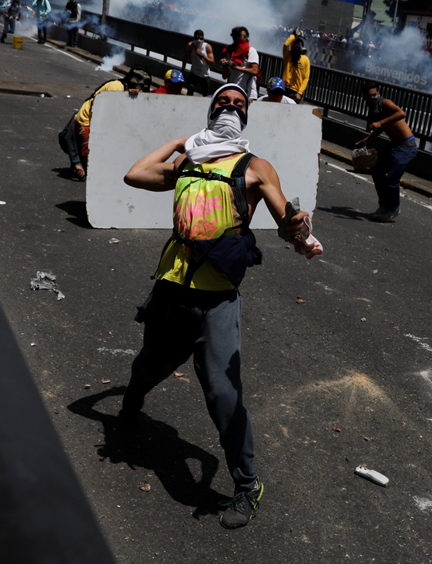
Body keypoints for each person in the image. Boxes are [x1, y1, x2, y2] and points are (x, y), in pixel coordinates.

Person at [119, 83, 318, 530]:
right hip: (172, 290)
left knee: (224, 395)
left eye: (238, 105)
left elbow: (287, 222)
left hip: (217, 302)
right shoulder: (188, 161)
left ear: (246, 118)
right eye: (223, 103)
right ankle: (132, 402)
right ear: (210, 112)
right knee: (149, 366)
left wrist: (299, 231)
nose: (230, 108)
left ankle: (246, 486)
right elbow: (134, 176)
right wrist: (178, 142)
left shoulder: (256, 168)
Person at [65, 69, 148, 180]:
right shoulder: (116, 86)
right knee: (88, 152)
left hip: (102, 120)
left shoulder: (125, 88)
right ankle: (79, 166)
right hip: (87, 119)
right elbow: (111, 109)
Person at [355, 81, 417, 222]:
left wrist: (381, 123)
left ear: (379, 93)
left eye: (375, 94)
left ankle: (394, 208)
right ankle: (384, 206)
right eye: (370, 95)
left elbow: (401, 113)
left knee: (391, 178)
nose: (373, 97)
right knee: (377, 172)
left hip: (406, 146)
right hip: (394, 145)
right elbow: (381, 128)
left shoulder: (385, 103)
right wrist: (367, 140)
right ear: (364, 96)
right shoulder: (373, 107)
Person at [220, 26, 259, 100]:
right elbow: (224, 76)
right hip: (232, 90)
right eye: (240, 37)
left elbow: (254, 71)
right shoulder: (230, 52)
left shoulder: (251, 51)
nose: (243, 39)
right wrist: (225, 66)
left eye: (245, 36)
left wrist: (235, 67)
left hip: (247, 94)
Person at [181, 29, 214, 97]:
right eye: (197, 38)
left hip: (204, 74)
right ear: (194, 38)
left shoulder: (207, 47)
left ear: (203, 39)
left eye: (200, 38)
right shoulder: (191, 45)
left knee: (205, 95)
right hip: (194, 72)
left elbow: (212, 62)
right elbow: (185, 57)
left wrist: (202, 55)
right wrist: (183, 69)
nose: (199, 40)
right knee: (190, 89)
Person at [282, 30, 310, 103]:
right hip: (285, 88)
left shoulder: (305, 59)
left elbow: (306, 78)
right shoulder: (288, 55)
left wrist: (300, 93)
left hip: (296, 92)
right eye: (295, 45)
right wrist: (294, 35)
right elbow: (286, 44)